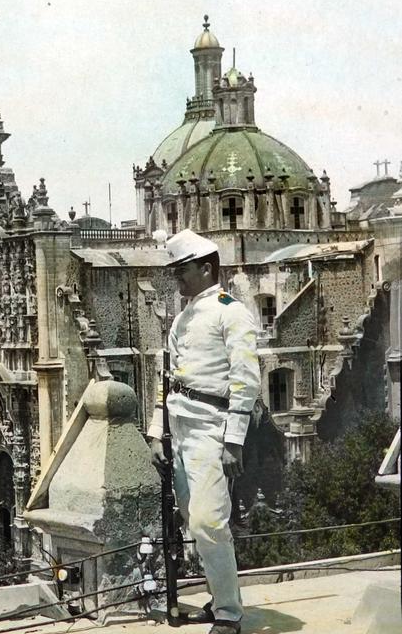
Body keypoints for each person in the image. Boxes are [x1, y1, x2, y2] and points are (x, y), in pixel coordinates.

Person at [148, 228, 260, 634]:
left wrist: (233, 440)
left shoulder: (231, 311)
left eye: (184, 272)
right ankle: (219, 599)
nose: (178, 280)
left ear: (207, 268)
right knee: (192, 519)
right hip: (180, 431)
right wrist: (156, 432)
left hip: (213, 430)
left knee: (209, 522)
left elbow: (246, 379)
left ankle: (229, 614)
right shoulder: (182, 318)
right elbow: (169, 378)